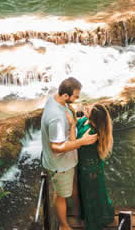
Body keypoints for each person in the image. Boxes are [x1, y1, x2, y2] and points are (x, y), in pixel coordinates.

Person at [41, 77, 98, 230]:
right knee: (60, 196)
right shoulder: (57, 118)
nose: (77, 99)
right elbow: (56, 147)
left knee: (67, 190)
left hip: (66, 162)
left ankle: (76, 212)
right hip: (61, 165)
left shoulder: (55, 100)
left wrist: (73, 124)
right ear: (65, 95)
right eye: (75, 96)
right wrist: (83, 141)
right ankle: (64, 225)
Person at [74, 103, 116, 230]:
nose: (86, 108)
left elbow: (76, 144)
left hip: (90, 170)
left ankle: (94, 222)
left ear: (94, 119)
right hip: (88, 166)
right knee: (94, 193)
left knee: (91, 195)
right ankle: (98, 215)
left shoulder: (92, 133)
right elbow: (77, 122)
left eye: (89, 110)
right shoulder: (86, 121)